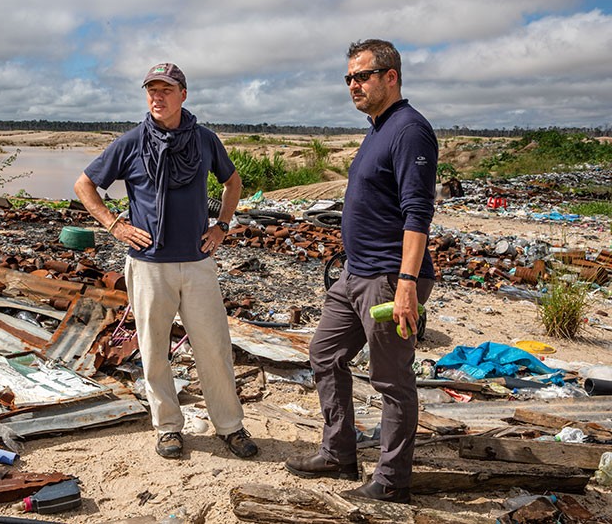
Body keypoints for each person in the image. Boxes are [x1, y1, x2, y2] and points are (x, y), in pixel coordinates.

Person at [74, 62, 257, 460]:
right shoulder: (132, 142)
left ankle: (230, 426)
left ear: (183, 95)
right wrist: (115, 225)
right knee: (155, 351)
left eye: (166, 90)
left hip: (196, 262)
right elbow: (84, 184)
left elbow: (233, 181)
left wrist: (222, 225)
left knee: (213, 347)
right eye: (151, 90)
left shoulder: (205, 141)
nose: (157, 97)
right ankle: (168, 427)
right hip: (147, 265)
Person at [284, 39, 437, 504]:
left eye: (362, 76)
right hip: (356, 274)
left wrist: (407, 285)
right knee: (324, 354)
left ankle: (392, 481)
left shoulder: (409, 130)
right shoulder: (377, 129)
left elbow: (418, 214)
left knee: (391, 380)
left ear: (391, 77)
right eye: (348, 77)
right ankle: (338, 453)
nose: (353, 84)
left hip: (390, 280)